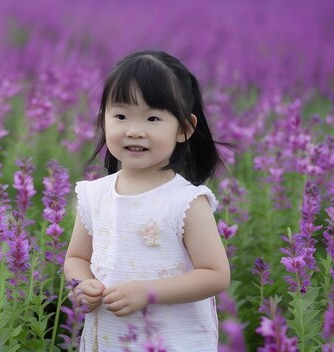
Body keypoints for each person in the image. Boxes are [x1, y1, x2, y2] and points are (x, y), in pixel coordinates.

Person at [63, 50, 230, 351]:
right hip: (108, 338)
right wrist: (82, 285)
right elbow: (76, 258)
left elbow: (215, 275)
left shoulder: (186, 203)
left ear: (184, 129)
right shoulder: (94, 195)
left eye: (153, 118)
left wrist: (149, 292)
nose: (134, 130)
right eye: (121, 116)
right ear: (104, 121)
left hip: (173, 341)